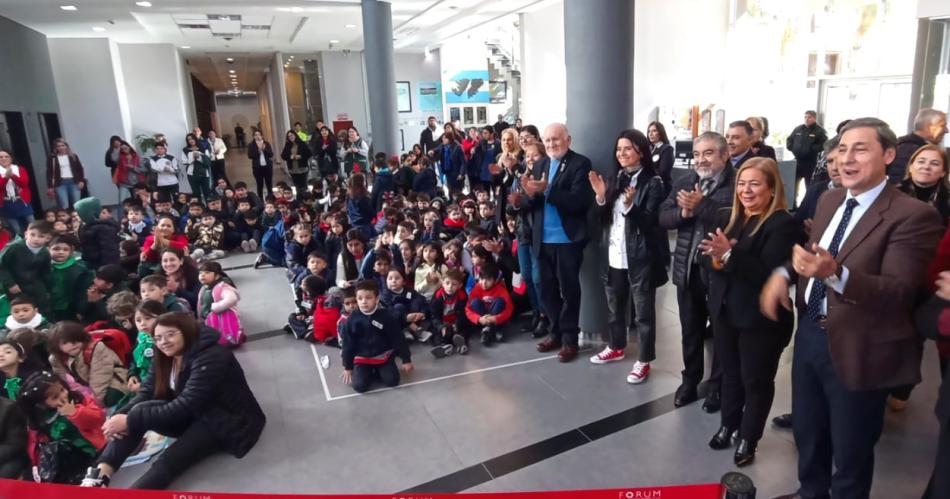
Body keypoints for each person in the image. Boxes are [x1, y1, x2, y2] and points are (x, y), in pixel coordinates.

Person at [762, 118, 944, 499]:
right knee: (808, 434)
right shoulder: (830, 199)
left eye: (860, 148)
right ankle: (810, 492)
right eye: (842, 149)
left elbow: (899, 291)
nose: (846, 158)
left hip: (861, 346)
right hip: (811, 333)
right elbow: (813, 255)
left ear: (890, 155)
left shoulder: (913, 215)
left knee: (850, 451)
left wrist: (835, 274)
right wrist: (784, 272)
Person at [80, 312, 266, 489]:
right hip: (192, 414)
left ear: (186, 330)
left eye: (170, 334)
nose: (163, 342)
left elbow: (186, 404)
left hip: (222, 419)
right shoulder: (164, 354)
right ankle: (98, 477)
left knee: (169, 459)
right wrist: (120, 416)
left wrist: (129, 420)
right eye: (158, 337)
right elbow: (146, 392)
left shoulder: (212, 356)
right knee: (138, 410)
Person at [700, 158, 799, 467]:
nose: (746, 190)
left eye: (755, 184)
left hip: (760, 319)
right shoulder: (729, 217)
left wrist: (727, 255)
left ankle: (748, 437)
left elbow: (766, 272)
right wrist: (718, 258)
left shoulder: (783, 223)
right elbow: (707, 259)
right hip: (726, 311)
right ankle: (728, 425)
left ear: (772, 188)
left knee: (755, 380)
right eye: (742, 183)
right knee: (729, 374)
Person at [659, 131, 735, 410]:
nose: (700, 160)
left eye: (708, 153)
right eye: (696, 154)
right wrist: (684, 214)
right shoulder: (685, 181)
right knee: (690, 330)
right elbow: (662, 216)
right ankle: (690, 380)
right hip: (687, 270)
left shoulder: (738, 183)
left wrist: (701, 206)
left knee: (721, 332)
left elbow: (735, 222)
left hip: (720, 273)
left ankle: (717, 386)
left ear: (724, 155)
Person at [588, 129, 668, 385]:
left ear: (641, 152)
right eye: (619, 149)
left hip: (640, 257)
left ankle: (643, 360)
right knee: (615, 308)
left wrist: (631, 207)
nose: (621, 154)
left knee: (643, 314)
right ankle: (616, 346)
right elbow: (601, 221)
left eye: (627, 149)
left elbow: (651, 222)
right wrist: (601, 197)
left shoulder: (653, 183)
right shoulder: (616, 178)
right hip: (614, 253)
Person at [521, 123, 593, 363]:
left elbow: (578, 202)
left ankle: (570, 340)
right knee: (546, 290)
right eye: (548, 140)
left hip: (567, 241)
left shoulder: (580, 164)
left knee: (570, 291)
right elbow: (532, 202)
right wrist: (524, 197)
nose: (552, 144)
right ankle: (556, 332)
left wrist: (547, 190)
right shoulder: (540, 164)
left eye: (556, 139)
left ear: (568, 140)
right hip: (542, 239)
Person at [17, 371, 106, 484]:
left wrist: (75, 413)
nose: (63, 395)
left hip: (97, 451)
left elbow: (98, 419)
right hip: (70, 465)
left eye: (62, 390)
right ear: (42, 404)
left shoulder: (78, 399)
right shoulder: (40, 423)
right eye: (55, 397)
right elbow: (36, 449)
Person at [340, 280, 413, 393]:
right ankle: (366, 371)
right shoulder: (352, 319)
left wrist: (406, 359)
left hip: (383, 357)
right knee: (359, 387)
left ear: (377, 299)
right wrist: (348, 366)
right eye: (359, 298)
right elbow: (348, 344)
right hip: (362, 359)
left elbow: (398, 338)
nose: (363, 302)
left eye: (368, 298)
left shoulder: (386, 316)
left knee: (392, 381)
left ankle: (379, 370)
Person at [48, 321, 130, 408]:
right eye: (65, 343)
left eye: (75, 339)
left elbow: (100, 378)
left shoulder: (96, 348)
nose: (72, 344)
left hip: (114, 380)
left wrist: (96, 405)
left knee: (110, 398)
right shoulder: (57, 359)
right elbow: (65, 382)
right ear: (57, 346)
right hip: (87, 386)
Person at [0, 220, 53, 314]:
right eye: (32, 235)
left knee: (42, 307)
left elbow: (46, 272)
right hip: (15, 285)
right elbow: (2, 266)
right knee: (21, 309)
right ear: (26, 234)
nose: (36, 239)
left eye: (41, 236)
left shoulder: (45, 252)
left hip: (35, 284)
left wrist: (47, 289)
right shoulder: (13, 248)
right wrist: (10, 283)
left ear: (48, 238)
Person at [888, 108, 948, 184]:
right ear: (928, 126)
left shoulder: (908, 147)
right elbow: (899, 183)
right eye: (942, 125)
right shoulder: (908, 149)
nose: (946, 130)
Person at [464, 260, 513, 346]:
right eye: (481, 279)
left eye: (488, 280)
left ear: (495, 280)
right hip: (482, 318)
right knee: (475, 302)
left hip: (495, 318)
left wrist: (496, 318)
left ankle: (488, 330)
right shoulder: (476, 289)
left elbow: (509, 309)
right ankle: (491, 330)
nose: (484, 283)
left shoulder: (501, 290)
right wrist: (478, 319)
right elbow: (468, 309)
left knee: (500, 301)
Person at [898, 144, 950, 223]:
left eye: (934, 163)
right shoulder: (891, 195)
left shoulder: (947, 200)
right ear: (910, 167)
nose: (926, 167)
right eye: (921, 161)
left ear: (943, 172)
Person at [197, 262, 244, 346]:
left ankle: (231, 338)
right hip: (207, 318)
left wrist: (216, 307)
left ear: (217, 276)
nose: (202, 275)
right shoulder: (204, 288)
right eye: (200, 273)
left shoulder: (221, 287)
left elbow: (232, 298)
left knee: (223, 331)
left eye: (207, 273)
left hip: (219, 317)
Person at [786, 110, 828, 200]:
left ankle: (807, 204)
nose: (807, 119)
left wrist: (810, 150)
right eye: (805, 117)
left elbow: (823, 145)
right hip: (798, 162)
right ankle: (792, 204)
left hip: (811, 163)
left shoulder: (819, 131)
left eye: (809, 117)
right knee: (792, 184)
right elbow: (789, 140)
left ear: (814, 118)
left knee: (809, 186)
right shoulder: (798, 129)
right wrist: (792, 148)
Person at [75, 197, 121, 270]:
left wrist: (106, 270)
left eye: (79, 213)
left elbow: (109, 252)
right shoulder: (84, 225)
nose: (76, 216)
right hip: (90, 262)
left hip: (101, 266)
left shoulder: (104, 228)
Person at [0, 148, 35, 235]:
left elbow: (24, 183)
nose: (4, 159)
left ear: (11, 158)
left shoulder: (20, 169)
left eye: (6, 156)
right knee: (16, 229)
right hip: (7, 203)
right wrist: (6, 178)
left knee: (32, 224)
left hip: (22, 201)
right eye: (1, 157)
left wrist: (13, 176)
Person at [46, 138, 86, 209]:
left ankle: (77, 219)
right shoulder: (52, 158)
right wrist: (50, 186)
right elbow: (49, 172)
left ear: (66, 146)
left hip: (74, 182)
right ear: (56, 148)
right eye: (58, 146)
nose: (61, 147)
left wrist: (81, 180)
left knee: (76, 204)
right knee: (64, 205)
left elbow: (80, 169)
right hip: (60, 183)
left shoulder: (73, 156)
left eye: (62, 145)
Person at [282, 130, 313, 195]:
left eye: (292, 135)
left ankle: (306, 199)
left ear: (295, 135)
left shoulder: (302, 143)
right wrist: (290, 157)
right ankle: (299, 201)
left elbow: (309, 153)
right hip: (293, 170)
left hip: (302, 168)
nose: (290, 137)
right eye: (289, 136)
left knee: (304, 186)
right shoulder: (287, 145)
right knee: (297, 187)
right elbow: (283, 155)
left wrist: (301, 156)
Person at [247, 129, 274, 199]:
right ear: (253, 136)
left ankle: (270, 198)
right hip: (257, 168)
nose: (257, 136)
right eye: (255, 135)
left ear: (262, 136)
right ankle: (260, 199)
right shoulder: (251, 145)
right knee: (259, 184)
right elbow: (250, 156)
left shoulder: (266, 143)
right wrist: (258, 151)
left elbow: (271, 154)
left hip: (267, 167)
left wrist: (264, 149)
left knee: (269, 184)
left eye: (259, 135)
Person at [647, 121, 674, 189]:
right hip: (649, 186)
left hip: (662, 188)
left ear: (660, 133)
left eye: (654, 131)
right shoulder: (648, 149)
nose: (650, 134)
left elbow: (663, 172)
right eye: (649, 131)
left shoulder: (667, 149)